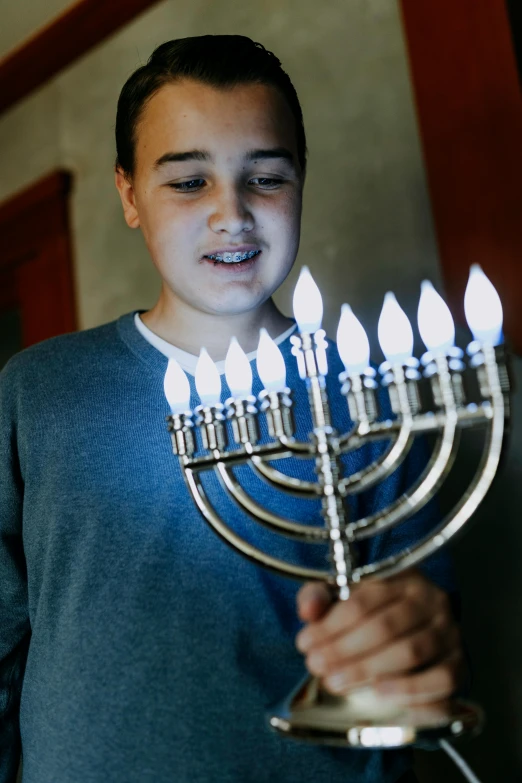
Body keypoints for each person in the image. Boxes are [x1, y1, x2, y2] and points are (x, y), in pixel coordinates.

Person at [0, 35, 464, 783]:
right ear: (128, 194)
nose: (232, 213)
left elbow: (420, 622)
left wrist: (415, 639)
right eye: (188, 182)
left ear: (302, 180)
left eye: (267, 176)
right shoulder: (37, 391)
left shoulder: (375, 396)